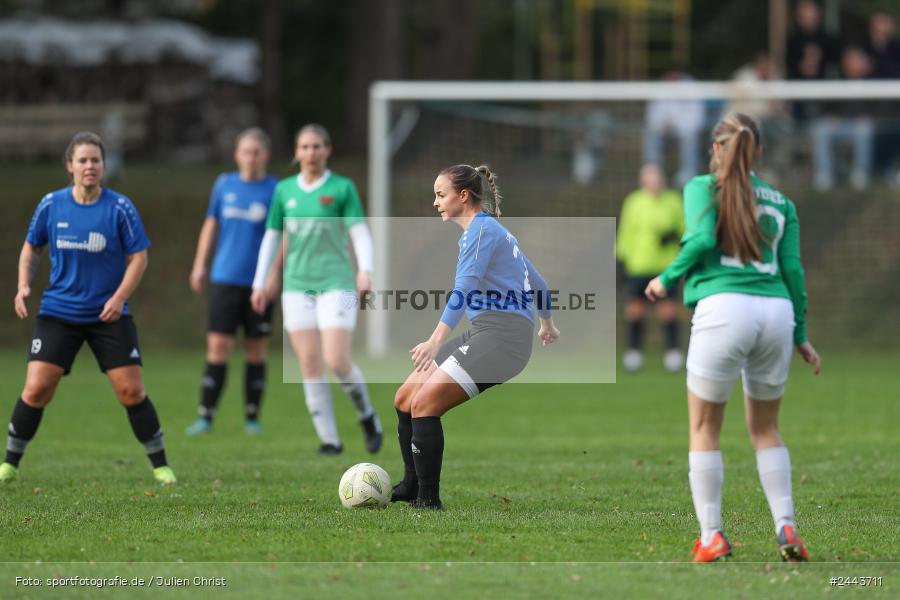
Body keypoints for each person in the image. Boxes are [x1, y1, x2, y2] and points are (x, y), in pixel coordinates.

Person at [645, 113, 821, 562]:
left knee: (705, 429)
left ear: (717, 149)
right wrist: (801, 333)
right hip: (777, 313)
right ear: (757, 151)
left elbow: (702, 239)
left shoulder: (703, 187)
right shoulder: (781, 201)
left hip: (725, 309)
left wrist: (667, 279)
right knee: (766, 429)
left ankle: (712, 536)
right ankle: (786, 527)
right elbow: (794, 272)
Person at [0, 132, 176, 484]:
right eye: (82, 160)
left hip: (108, 315)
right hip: (59, 312)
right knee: (36, 389)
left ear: (104, 166)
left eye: (95, 160)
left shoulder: (120, 207)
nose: (90, 166)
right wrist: (23, 286)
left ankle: (160, 464)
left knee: (131, 391)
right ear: (70, 166)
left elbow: (138, 258)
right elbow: (31, 248)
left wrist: (119, 298)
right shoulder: (52, 205)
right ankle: (10, 463)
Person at [391, 164, 560, 510]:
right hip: (486, 331)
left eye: (441, 195)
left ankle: (427, 499)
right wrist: (547, 324)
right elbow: (539, 283)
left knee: (425, 405)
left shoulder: (481, 232)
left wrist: (436, 339)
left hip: (503, 339)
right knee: (406, 398)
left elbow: (464, 289)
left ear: (463, 195)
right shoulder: (490, 231)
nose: (436, 202)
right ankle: (410, 484)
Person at [250, 124, 382, 456]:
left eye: (317, 146)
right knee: (309, 363)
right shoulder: (284, 191)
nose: (311, 152)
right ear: (296, 152)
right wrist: (260, 281)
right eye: (305, 146)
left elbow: (360, 232)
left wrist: (365, 270)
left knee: (336, 360)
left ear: (327, 150)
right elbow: (271, 236)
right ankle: (330, 441)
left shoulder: (341, 188)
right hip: (296, 286)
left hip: (336, 281)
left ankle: (367, 415)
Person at [185, 128, 279, 436]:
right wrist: (200, 265)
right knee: (218, 347)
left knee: (255, 351)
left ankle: (253, 417)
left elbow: (283, 238)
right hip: (224, 278)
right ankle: (205, 416)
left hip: (259, 284)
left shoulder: (276, 190)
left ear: (265, 155)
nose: (250, 157)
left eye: (256, 151)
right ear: (236, 155)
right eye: (245, 151)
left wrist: (273, 275)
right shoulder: (224, 185)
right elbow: (210, 225)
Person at [615, 164, 684, 373]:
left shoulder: (673, 201)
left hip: (665, 267)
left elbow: (685, 230)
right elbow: (626, 232)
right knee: (636, 311)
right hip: (638, 265)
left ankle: (672, 354)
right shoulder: (634, 202)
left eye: (658, 178)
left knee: (668, 311)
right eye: (650, 179)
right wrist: (621, 260)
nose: (655, 183)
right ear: (643, 181)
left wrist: (673, 236)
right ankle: (634, 353)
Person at [810, 47, 875, 191]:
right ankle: (824, 175)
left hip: (858, 127)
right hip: (839, 126)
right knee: (820, 129)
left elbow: (878, 107)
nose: (852, 64)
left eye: (856, 60)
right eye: (849, 60)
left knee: (864, 129)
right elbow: (826, 105)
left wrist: (867, 116)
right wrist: (830, 116)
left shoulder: (872, 81)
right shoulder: (837, 80)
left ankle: (860, 174)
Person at [642, 70, 706, 188]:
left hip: (686, 132)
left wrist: (677, 126)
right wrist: (662, 126)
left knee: (690, 139)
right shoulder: (660, 89)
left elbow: (697, 120)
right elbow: (652, 118)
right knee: (651, 135)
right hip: (665, 133)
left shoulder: (692, 88)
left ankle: (687, 176)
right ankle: (653, 174)